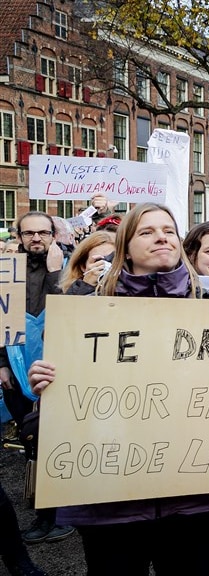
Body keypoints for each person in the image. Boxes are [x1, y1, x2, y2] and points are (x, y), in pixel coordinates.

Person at [26, 203, 209, 575]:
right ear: (125, 247)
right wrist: (44, 381)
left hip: (198, 496)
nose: (161, 236)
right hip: (110, 496)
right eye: (147, 231)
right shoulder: (88, 312)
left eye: (167, 230)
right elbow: (63, 384)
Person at [1, 212, 73, 546]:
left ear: (53, 234)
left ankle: (57, 517)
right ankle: (44, 512)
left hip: (58, 374)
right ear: (18, 236)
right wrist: (1, 364)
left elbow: (68, 316)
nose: (36, 239)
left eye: (43, 232)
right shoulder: (7, 273)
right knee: (33, 444)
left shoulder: (71, 268)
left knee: (55, 444)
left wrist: (56, 272)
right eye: (28, 233)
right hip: (16, 373)